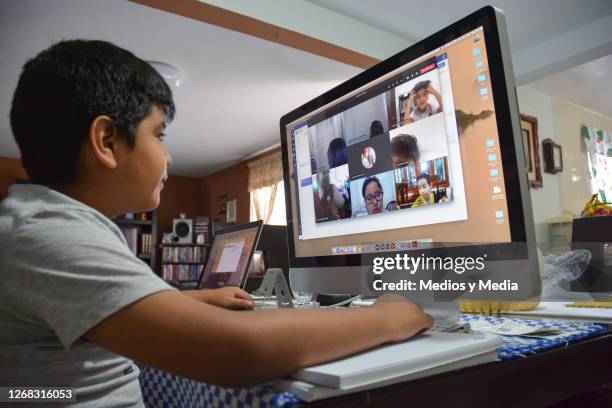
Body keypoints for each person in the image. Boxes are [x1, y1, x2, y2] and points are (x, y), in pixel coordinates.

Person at [0, 40, 432, 405]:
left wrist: (198, 301)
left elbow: (95, 312)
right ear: (107, 141)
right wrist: (388, 317)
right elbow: (238, 351)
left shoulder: (41, 223)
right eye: (159, 135)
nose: (167, 156)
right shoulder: (52, 235)